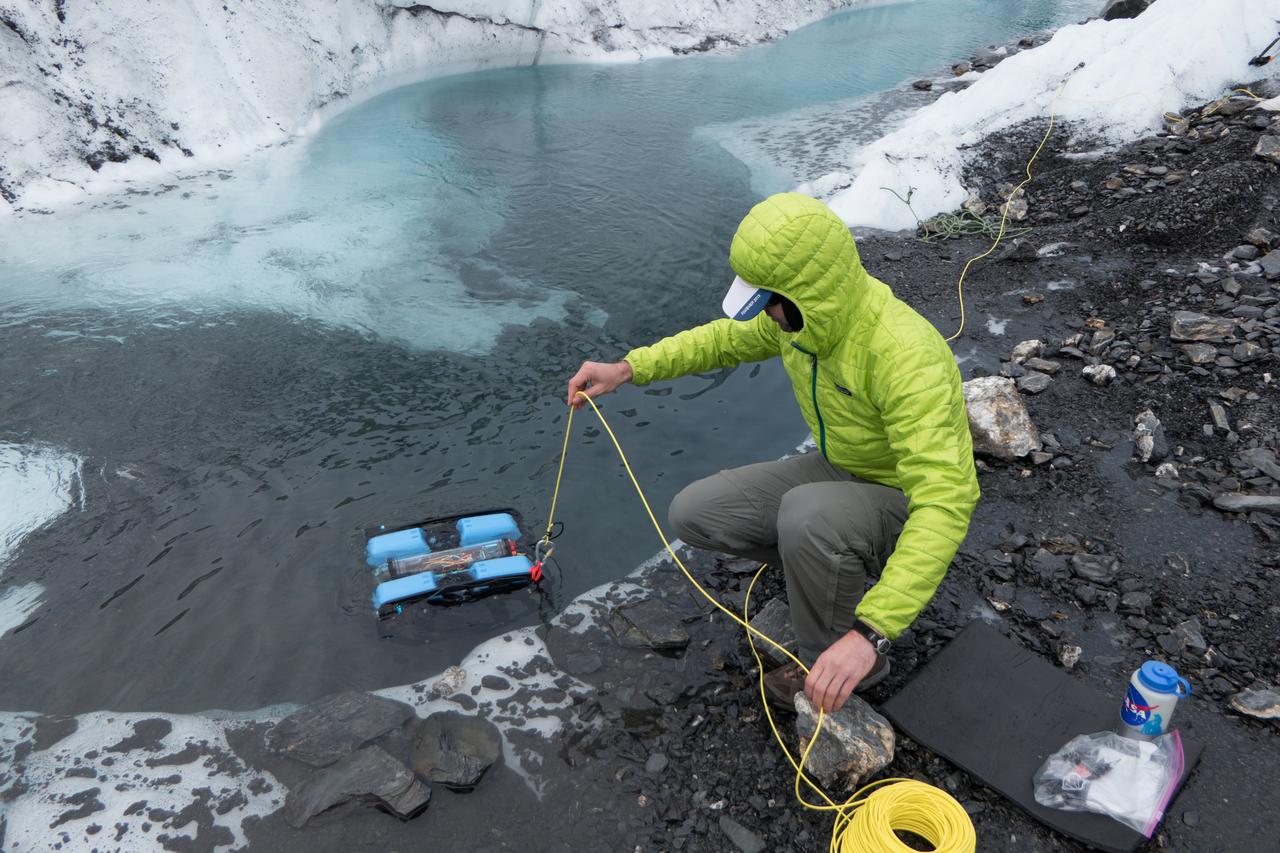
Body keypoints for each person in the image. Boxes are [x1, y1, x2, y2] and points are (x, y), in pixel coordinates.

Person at [566, 192, 979, 714]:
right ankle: (828, 569)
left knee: (809, 517)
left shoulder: (905, 356)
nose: (767, 316)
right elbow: (719, 342)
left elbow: (946, 500)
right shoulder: (806, 321)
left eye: (769, 303)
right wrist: (626, 369)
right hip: (840, 468)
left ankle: (837, 664)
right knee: (694, 513)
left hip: (900, 499)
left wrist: (872, 632)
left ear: (809, 292)